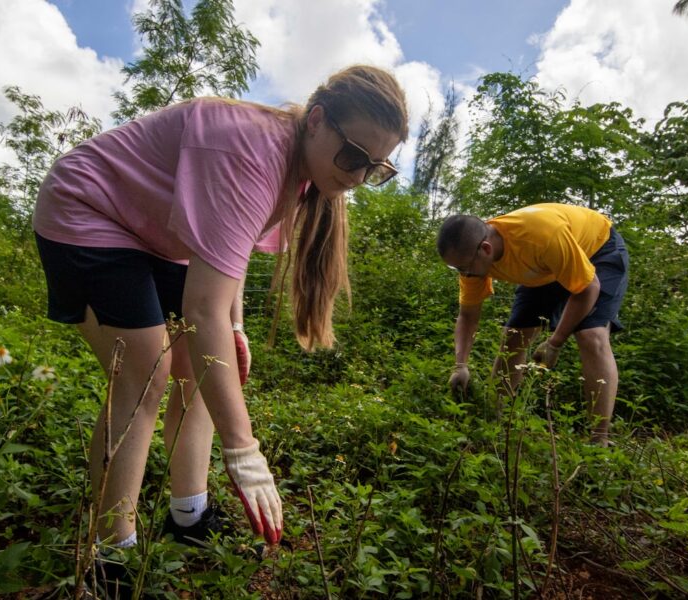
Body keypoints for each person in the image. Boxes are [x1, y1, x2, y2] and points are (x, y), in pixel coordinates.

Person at [32, 65, 408, 591]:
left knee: (204, 364)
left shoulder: (299, 169)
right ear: (318, 121)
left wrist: (236, 327)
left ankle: (188, 515)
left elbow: (224, 264)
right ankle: (109, 555)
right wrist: (244, 450)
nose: (358, 177)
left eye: (375, 168)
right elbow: (201, 309)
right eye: (352, 157)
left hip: (158, 232)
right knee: (145, 373)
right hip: (89, 210)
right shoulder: (250, 150)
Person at [437, 204, 628, 445]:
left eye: (463, 267)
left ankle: (599, 439)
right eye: (456, 268)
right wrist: (460, 364)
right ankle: (495, 419)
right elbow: (468, 316)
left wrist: (555, 343)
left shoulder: (541, 237)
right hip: (546, 267)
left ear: (485, 249)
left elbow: (587, 289)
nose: (462, 274)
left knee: (591, 335)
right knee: (514, 336)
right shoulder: (473, 261)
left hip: (597, 249)